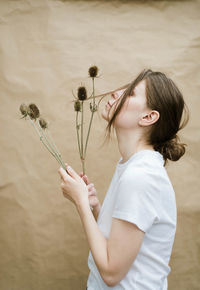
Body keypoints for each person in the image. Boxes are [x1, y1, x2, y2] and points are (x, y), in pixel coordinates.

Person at [58, 69, 189, 290]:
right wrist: (96, 209)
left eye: (129, 93)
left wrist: (81, 202)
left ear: (148, 117)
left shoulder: (141, 176)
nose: (115, 93)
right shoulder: (131, 166)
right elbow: (122, 243)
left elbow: (111, 272)